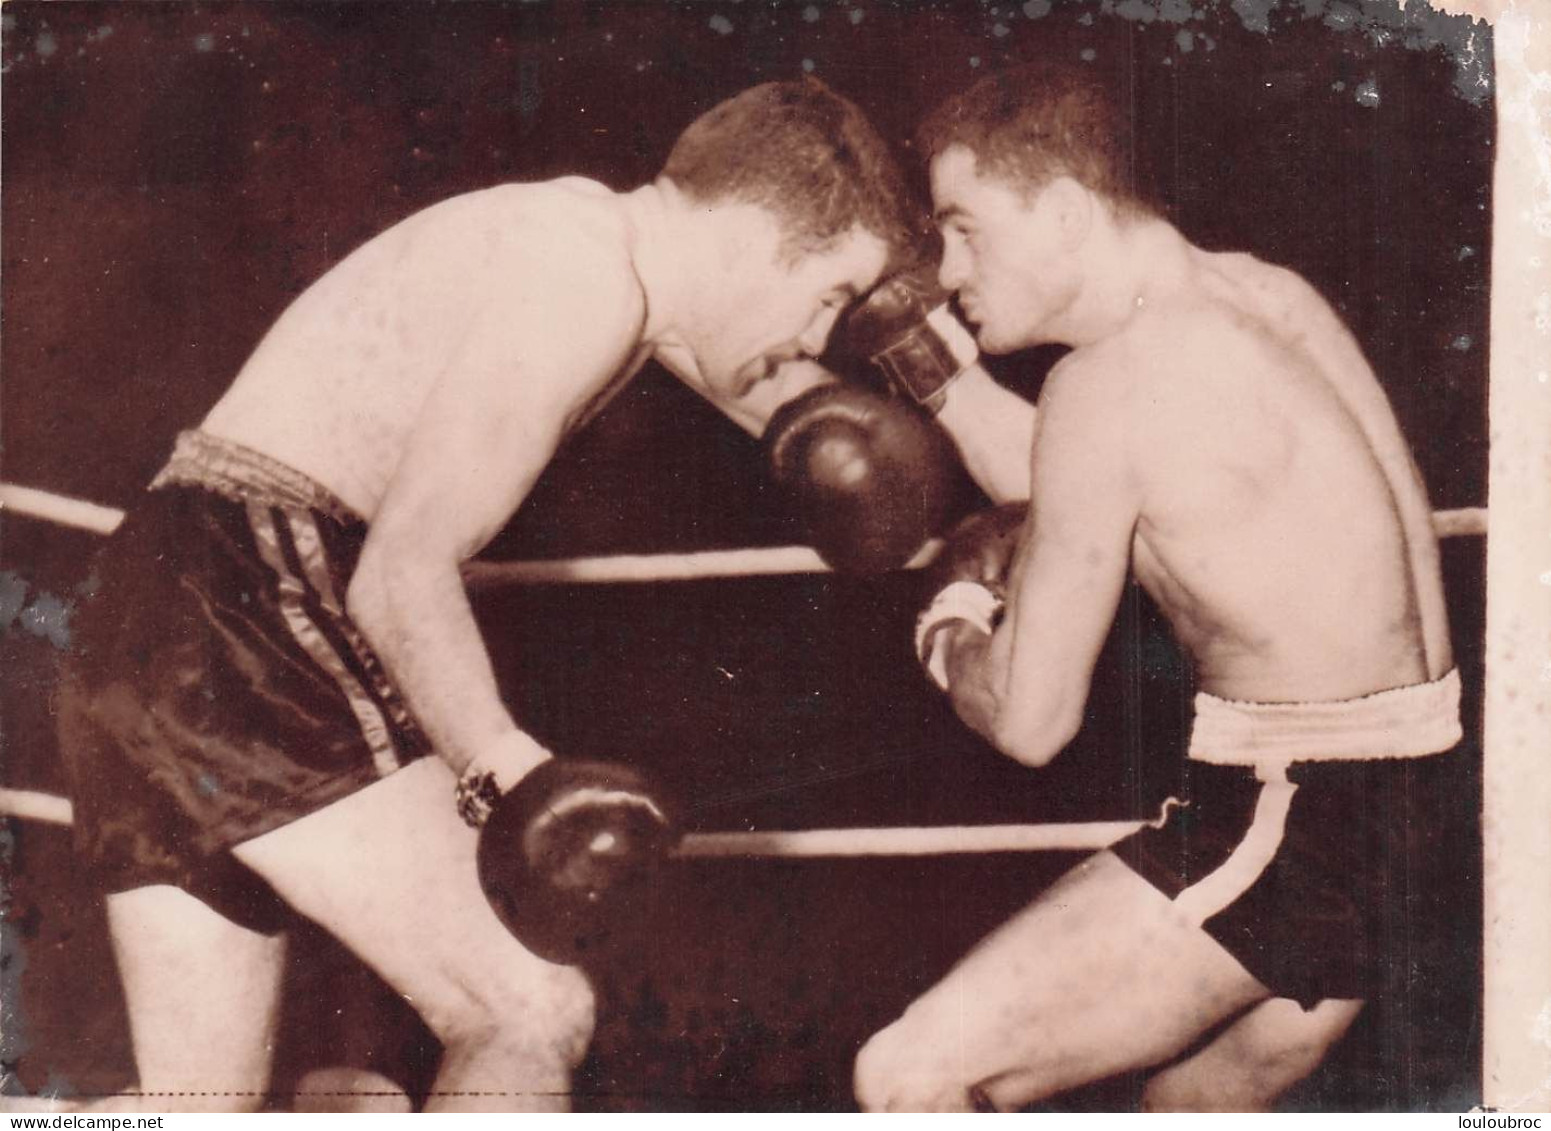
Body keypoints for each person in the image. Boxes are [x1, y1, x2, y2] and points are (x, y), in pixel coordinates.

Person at [54, 77, 925, 1113]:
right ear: (750, 231)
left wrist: (938, 433)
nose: (820, 333)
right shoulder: (580, 281)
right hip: (244, 603)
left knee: (198, 1110)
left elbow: (772, 394)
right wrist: (509, 778)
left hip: (151, 614)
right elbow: (403, 572)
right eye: (827, 293)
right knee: (525, 1007)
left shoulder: (592, 254)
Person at [852, 63, 1465, 1112]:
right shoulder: (1264, 294)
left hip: (1300, 812)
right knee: (1189, 1107)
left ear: (1063, 212)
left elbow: (1032, 722)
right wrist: (937, 365)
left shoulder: (1109, 385)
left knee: (910, 1072)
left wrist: (950, 625)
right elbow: (1098, 482)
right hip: (1419, 795)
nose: (946, 264)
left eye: (964, 228)